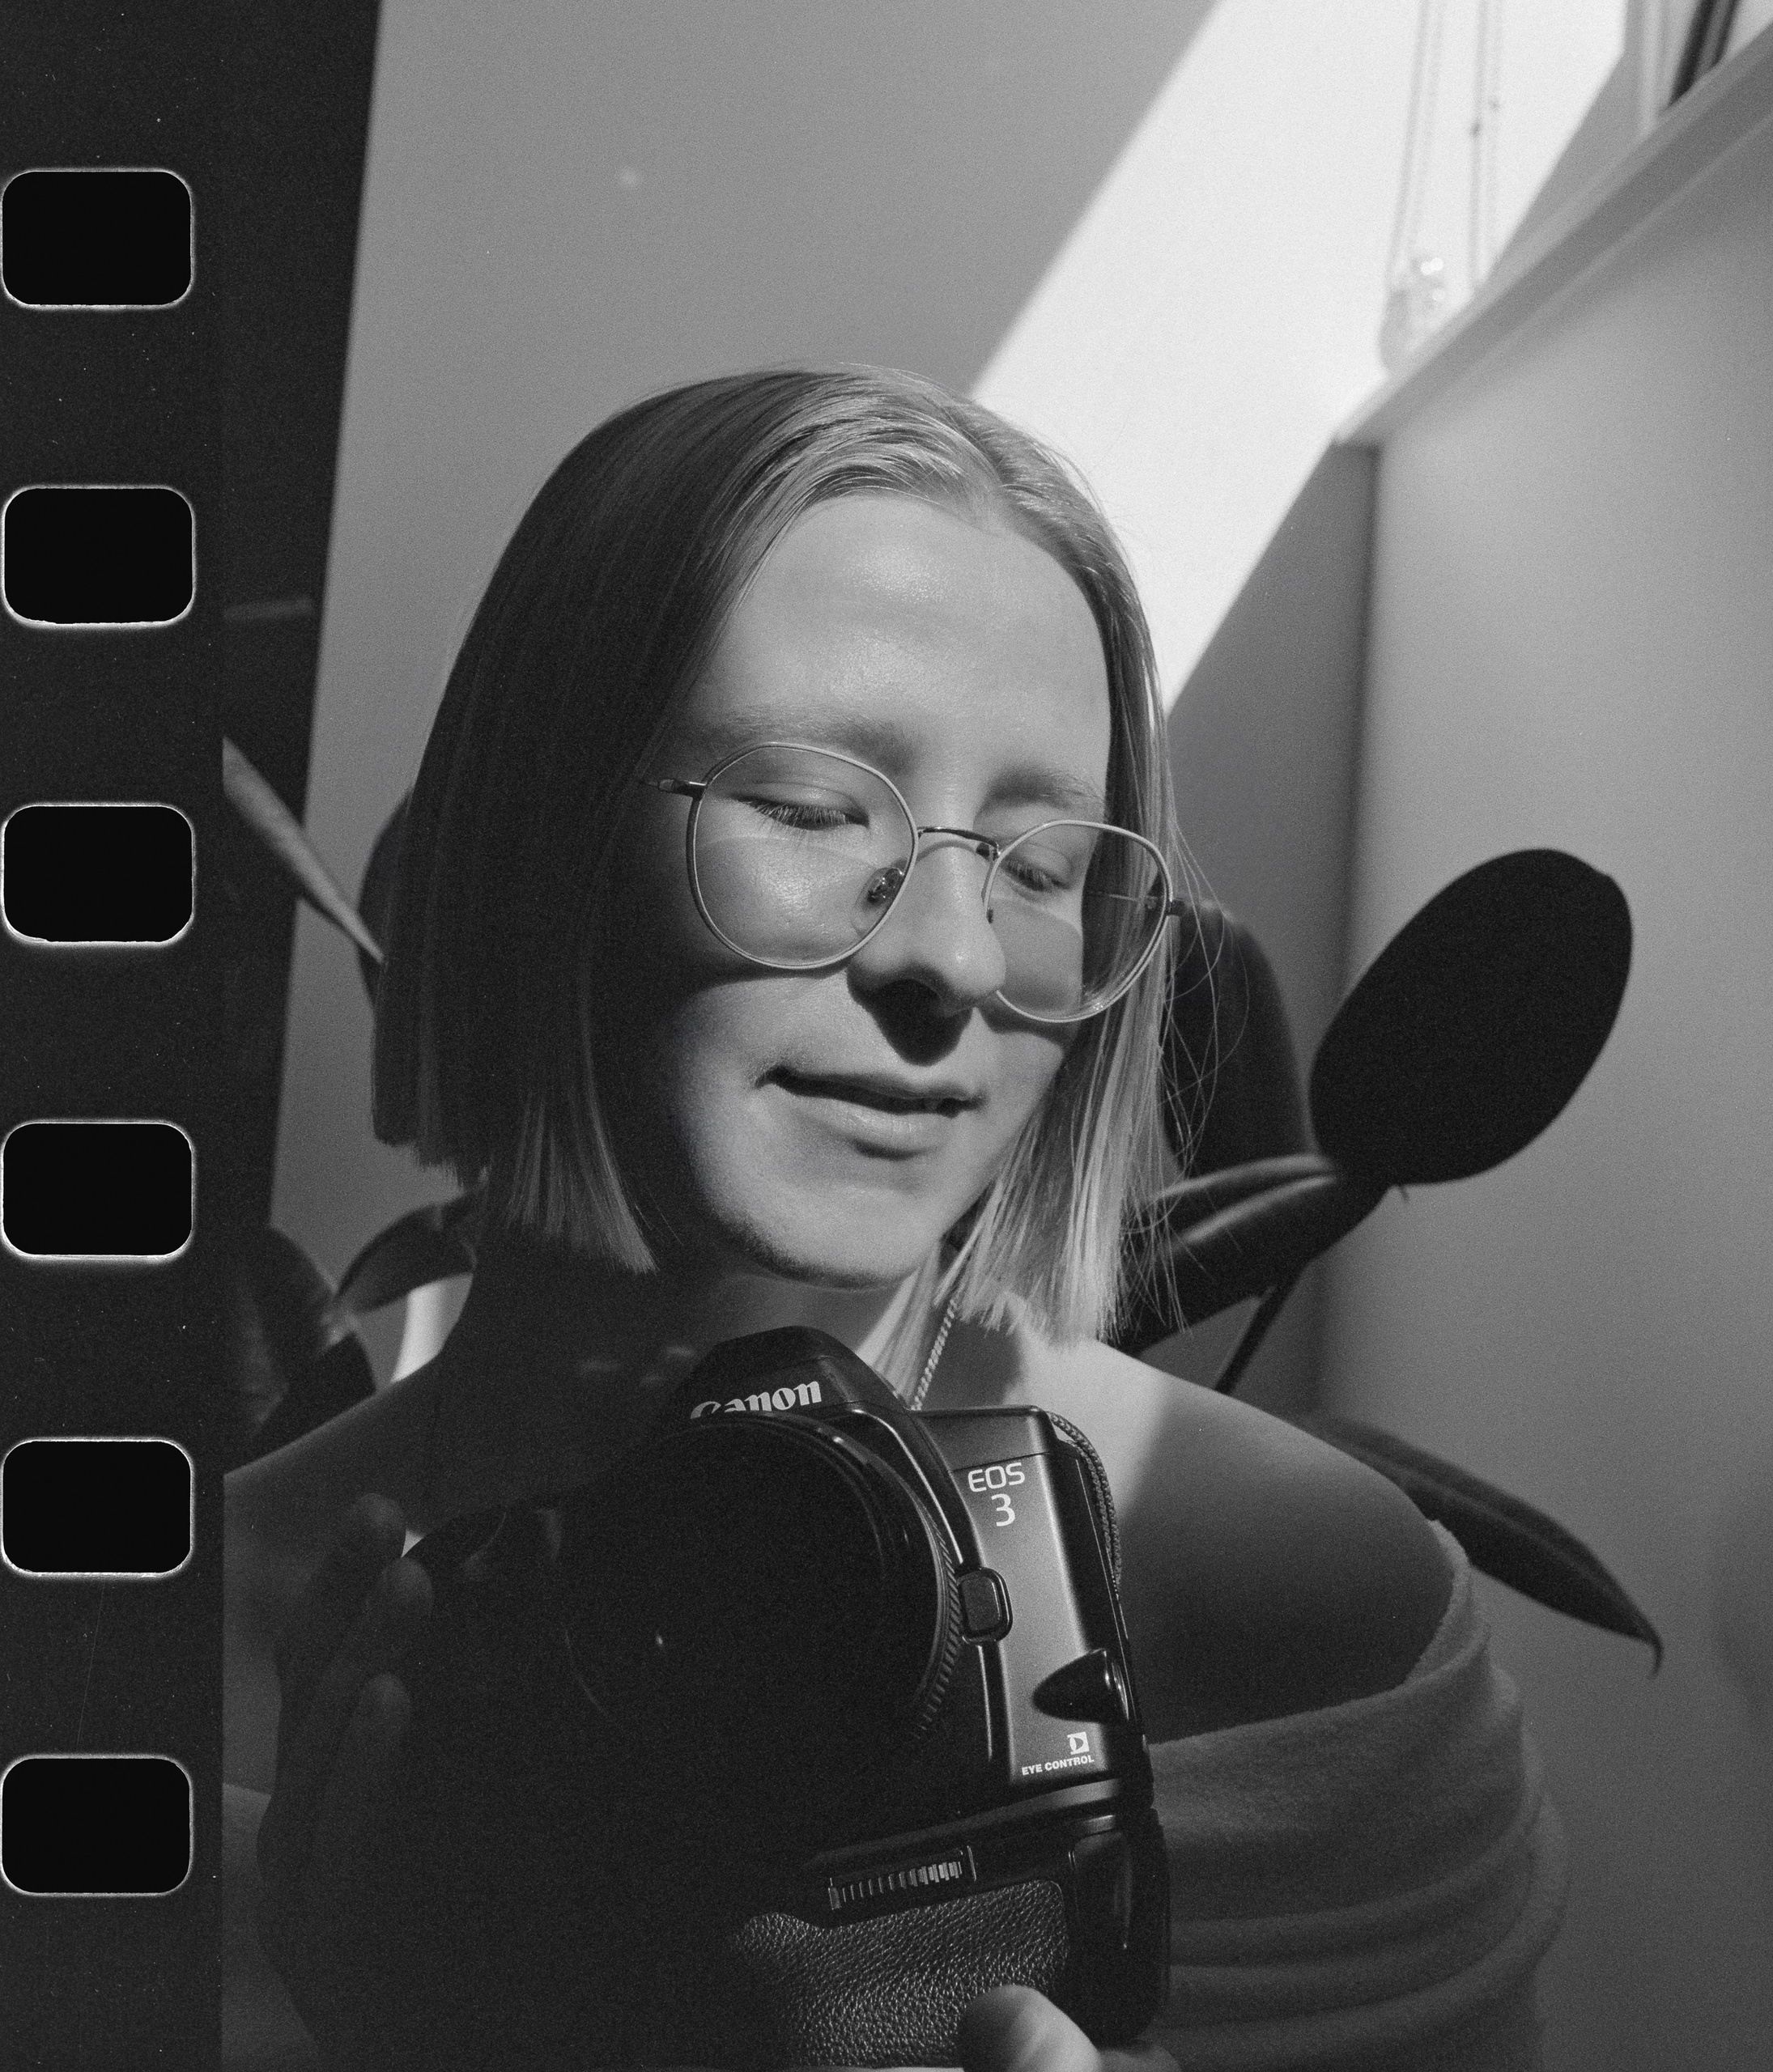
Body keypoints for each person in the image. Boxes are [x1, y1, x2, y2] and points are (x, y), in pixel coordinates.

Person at [223, 367, 1565, 2071]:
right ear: (525, 837)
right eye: (806, 804)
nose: (952, 953)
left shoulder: (1296, 1607)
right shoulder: (158, 1660)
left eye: (1039, 858)